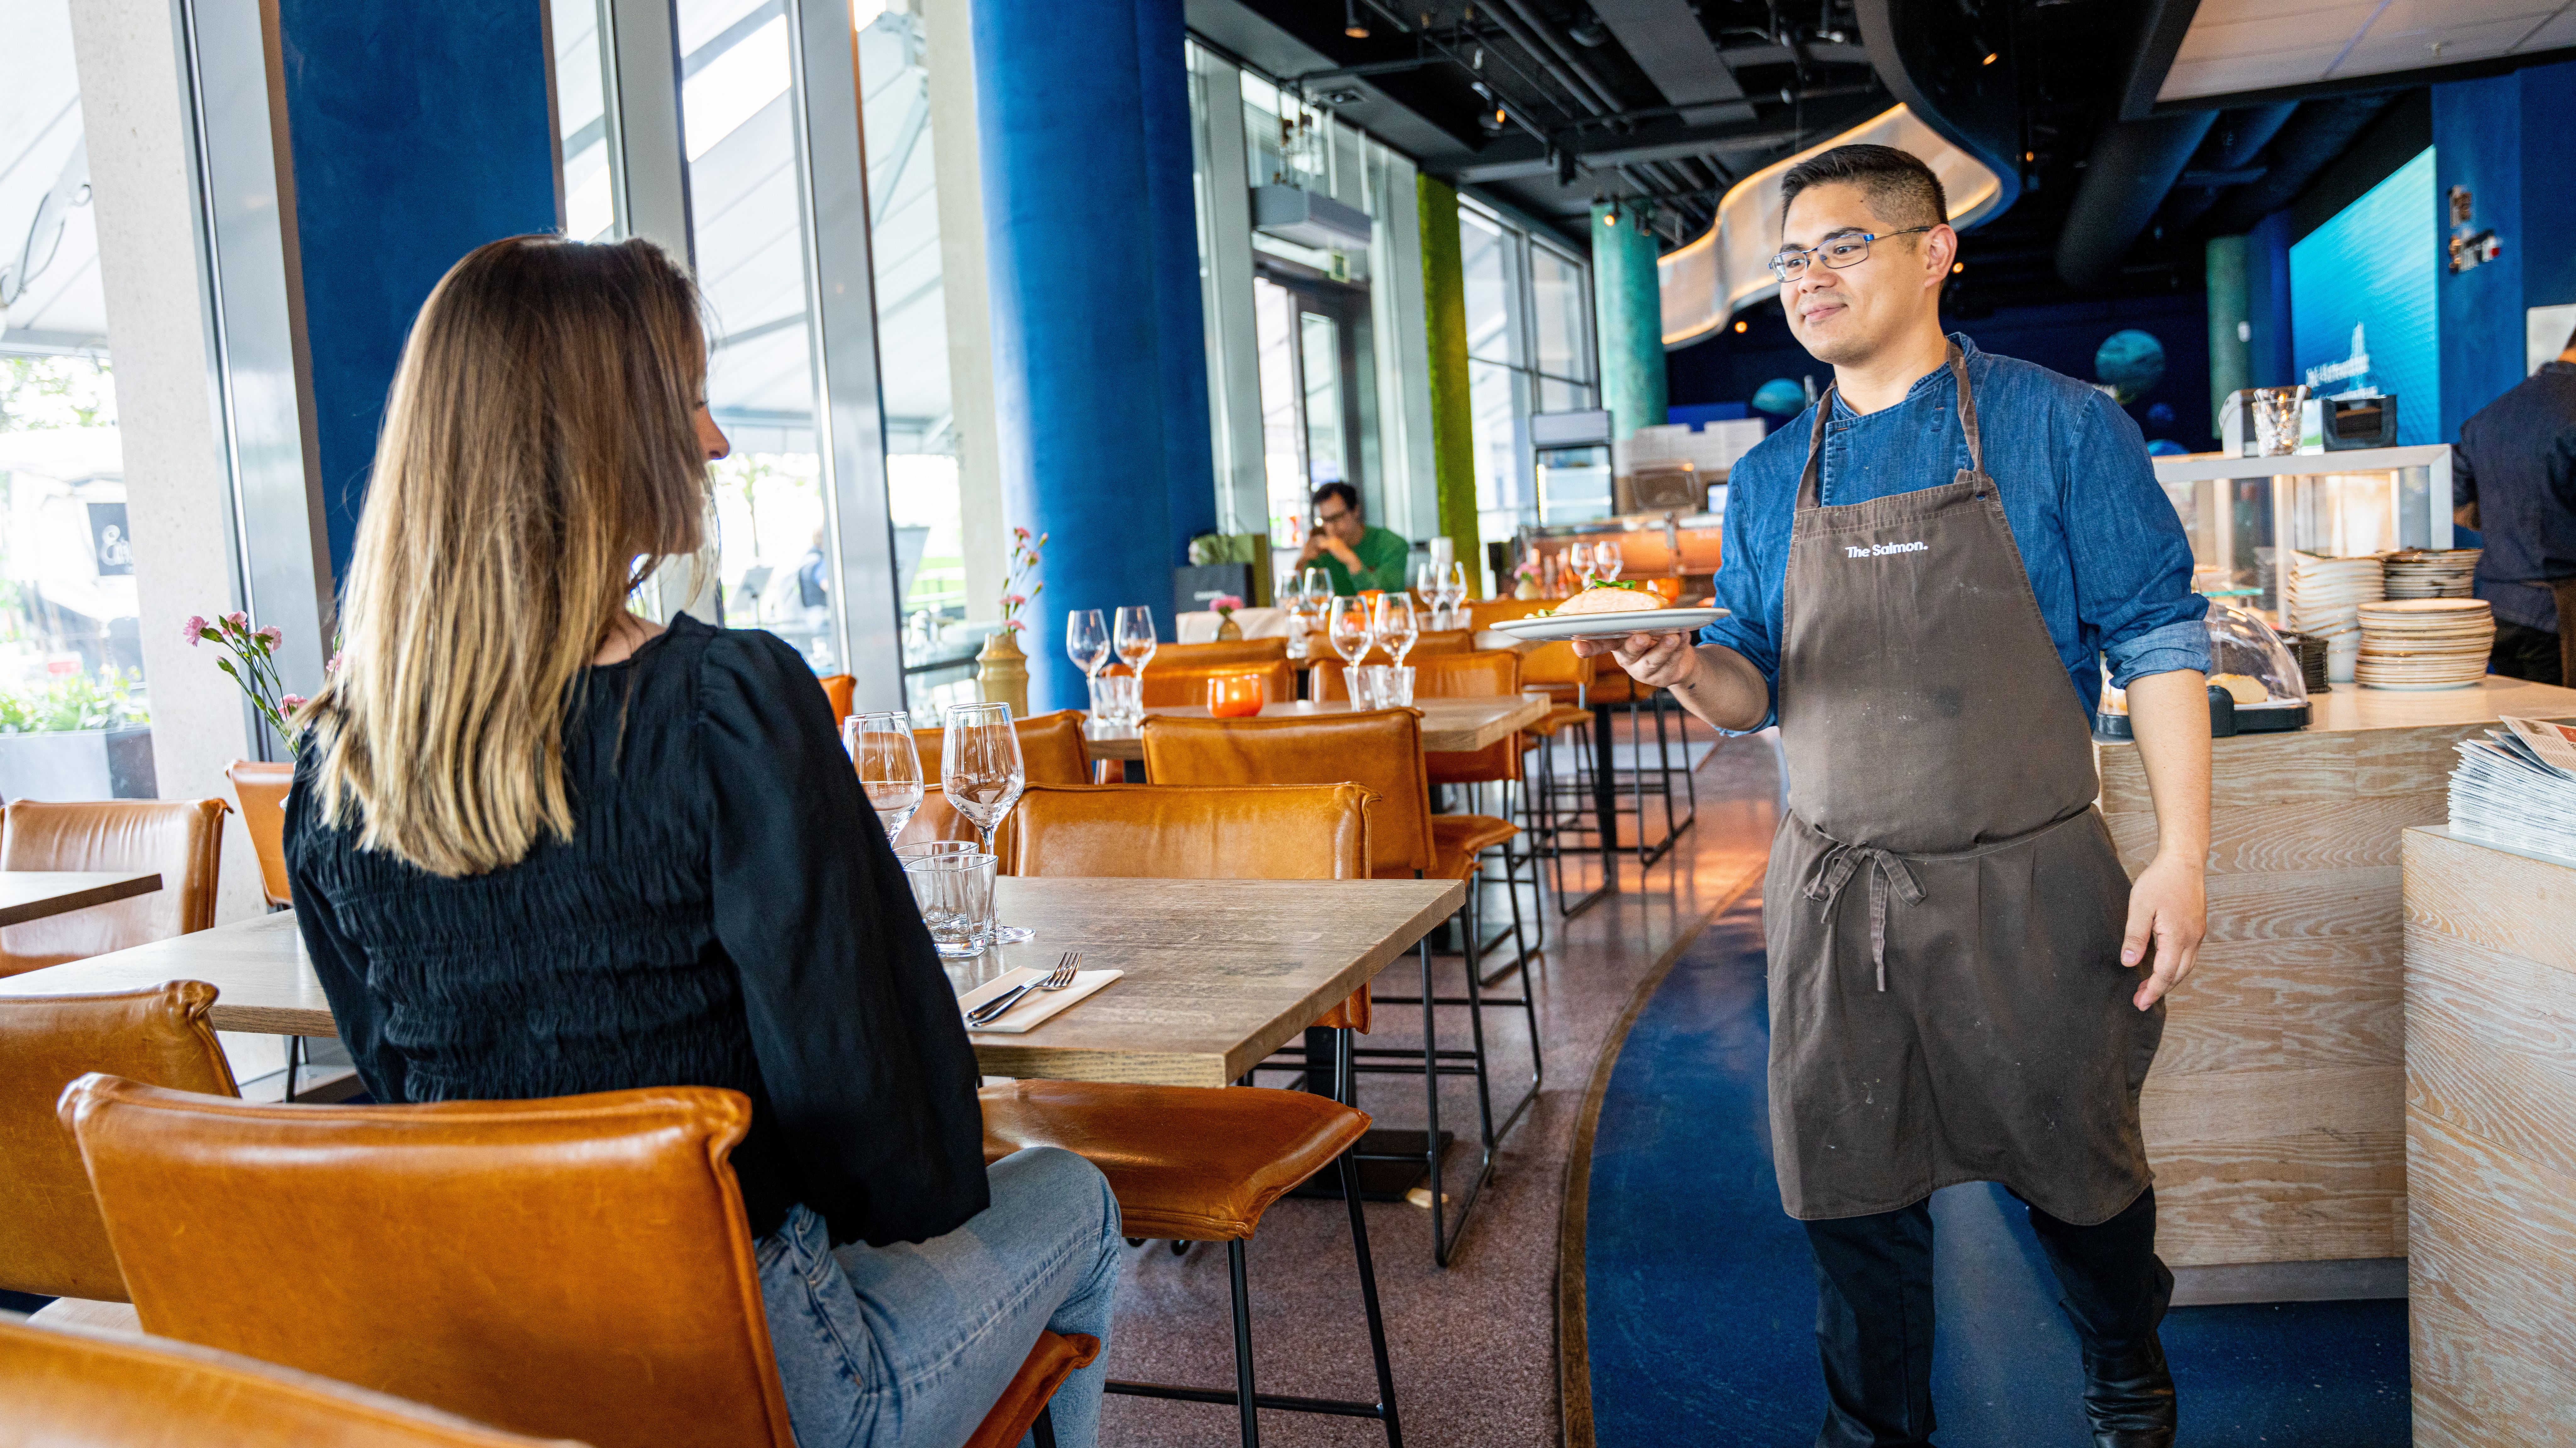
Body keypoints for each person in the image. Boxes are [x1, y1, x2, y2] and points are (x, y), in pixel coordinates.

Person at [281, 235, 1119, 1448]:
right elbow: (876, 1120)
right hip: (761, 1380)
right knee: (1078, 1198)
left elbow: (403, 1084)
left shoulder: (335, 763)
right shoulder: (724, 703)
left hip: (487, 1374)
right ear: (591, 432)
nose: (714, 439)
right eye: (684, 399)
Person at [1576, 145, 2212, 1448]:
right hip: (1835, 890)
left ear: (1934, 253)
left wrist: (2183, 851)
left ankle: (2122, 1357)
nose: (1808, 278)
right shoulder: (1767, 477)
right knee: (1846, 1202)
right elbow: (1755, 685)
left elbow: (2155, 636)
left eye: (1842, 246)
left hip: (2031, 880)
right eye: (1790, 259)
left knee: (2078, 1174)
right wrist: (1682, 664)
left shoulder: (2059, 426)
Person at [2454, 327, 2576, 686]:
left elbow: (2458, 498)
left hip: (2497, 608)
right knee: (2560, 733)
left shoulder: (2487, 417)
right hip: (2557, 612)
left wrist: (2509, 524)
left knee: (2520, 731)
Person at [1297, 481, 1409, 594]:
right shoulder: (1321, 551)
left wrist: (1351, 560)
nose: (1332, 527)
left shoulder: (1391, 543)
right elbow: (1295, 598)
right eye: (1325, 520)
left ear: (1355, 511)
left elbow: (1385, 596)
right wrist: (1303, 560)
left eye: (1337, 517)